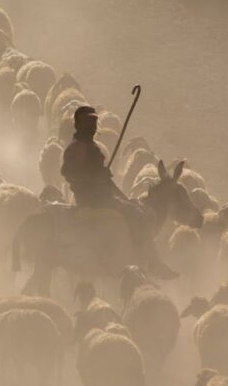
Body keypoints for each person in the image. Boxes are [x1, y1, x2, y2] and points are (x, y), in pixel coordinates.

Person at [61, 105, 178, 279]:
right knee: (138, 215)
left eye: (94, 122)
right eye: (89, 123)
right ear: (79, 124)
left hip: (100, 195)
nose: (93, 127)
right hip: (93, 199)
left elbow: (105, 180)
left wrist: (121, 195)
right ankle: (153, 263)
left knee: (133, 208)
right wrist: (93, 177)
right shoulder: (77, 147)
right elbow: (68, 173)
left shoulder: (89, 146)